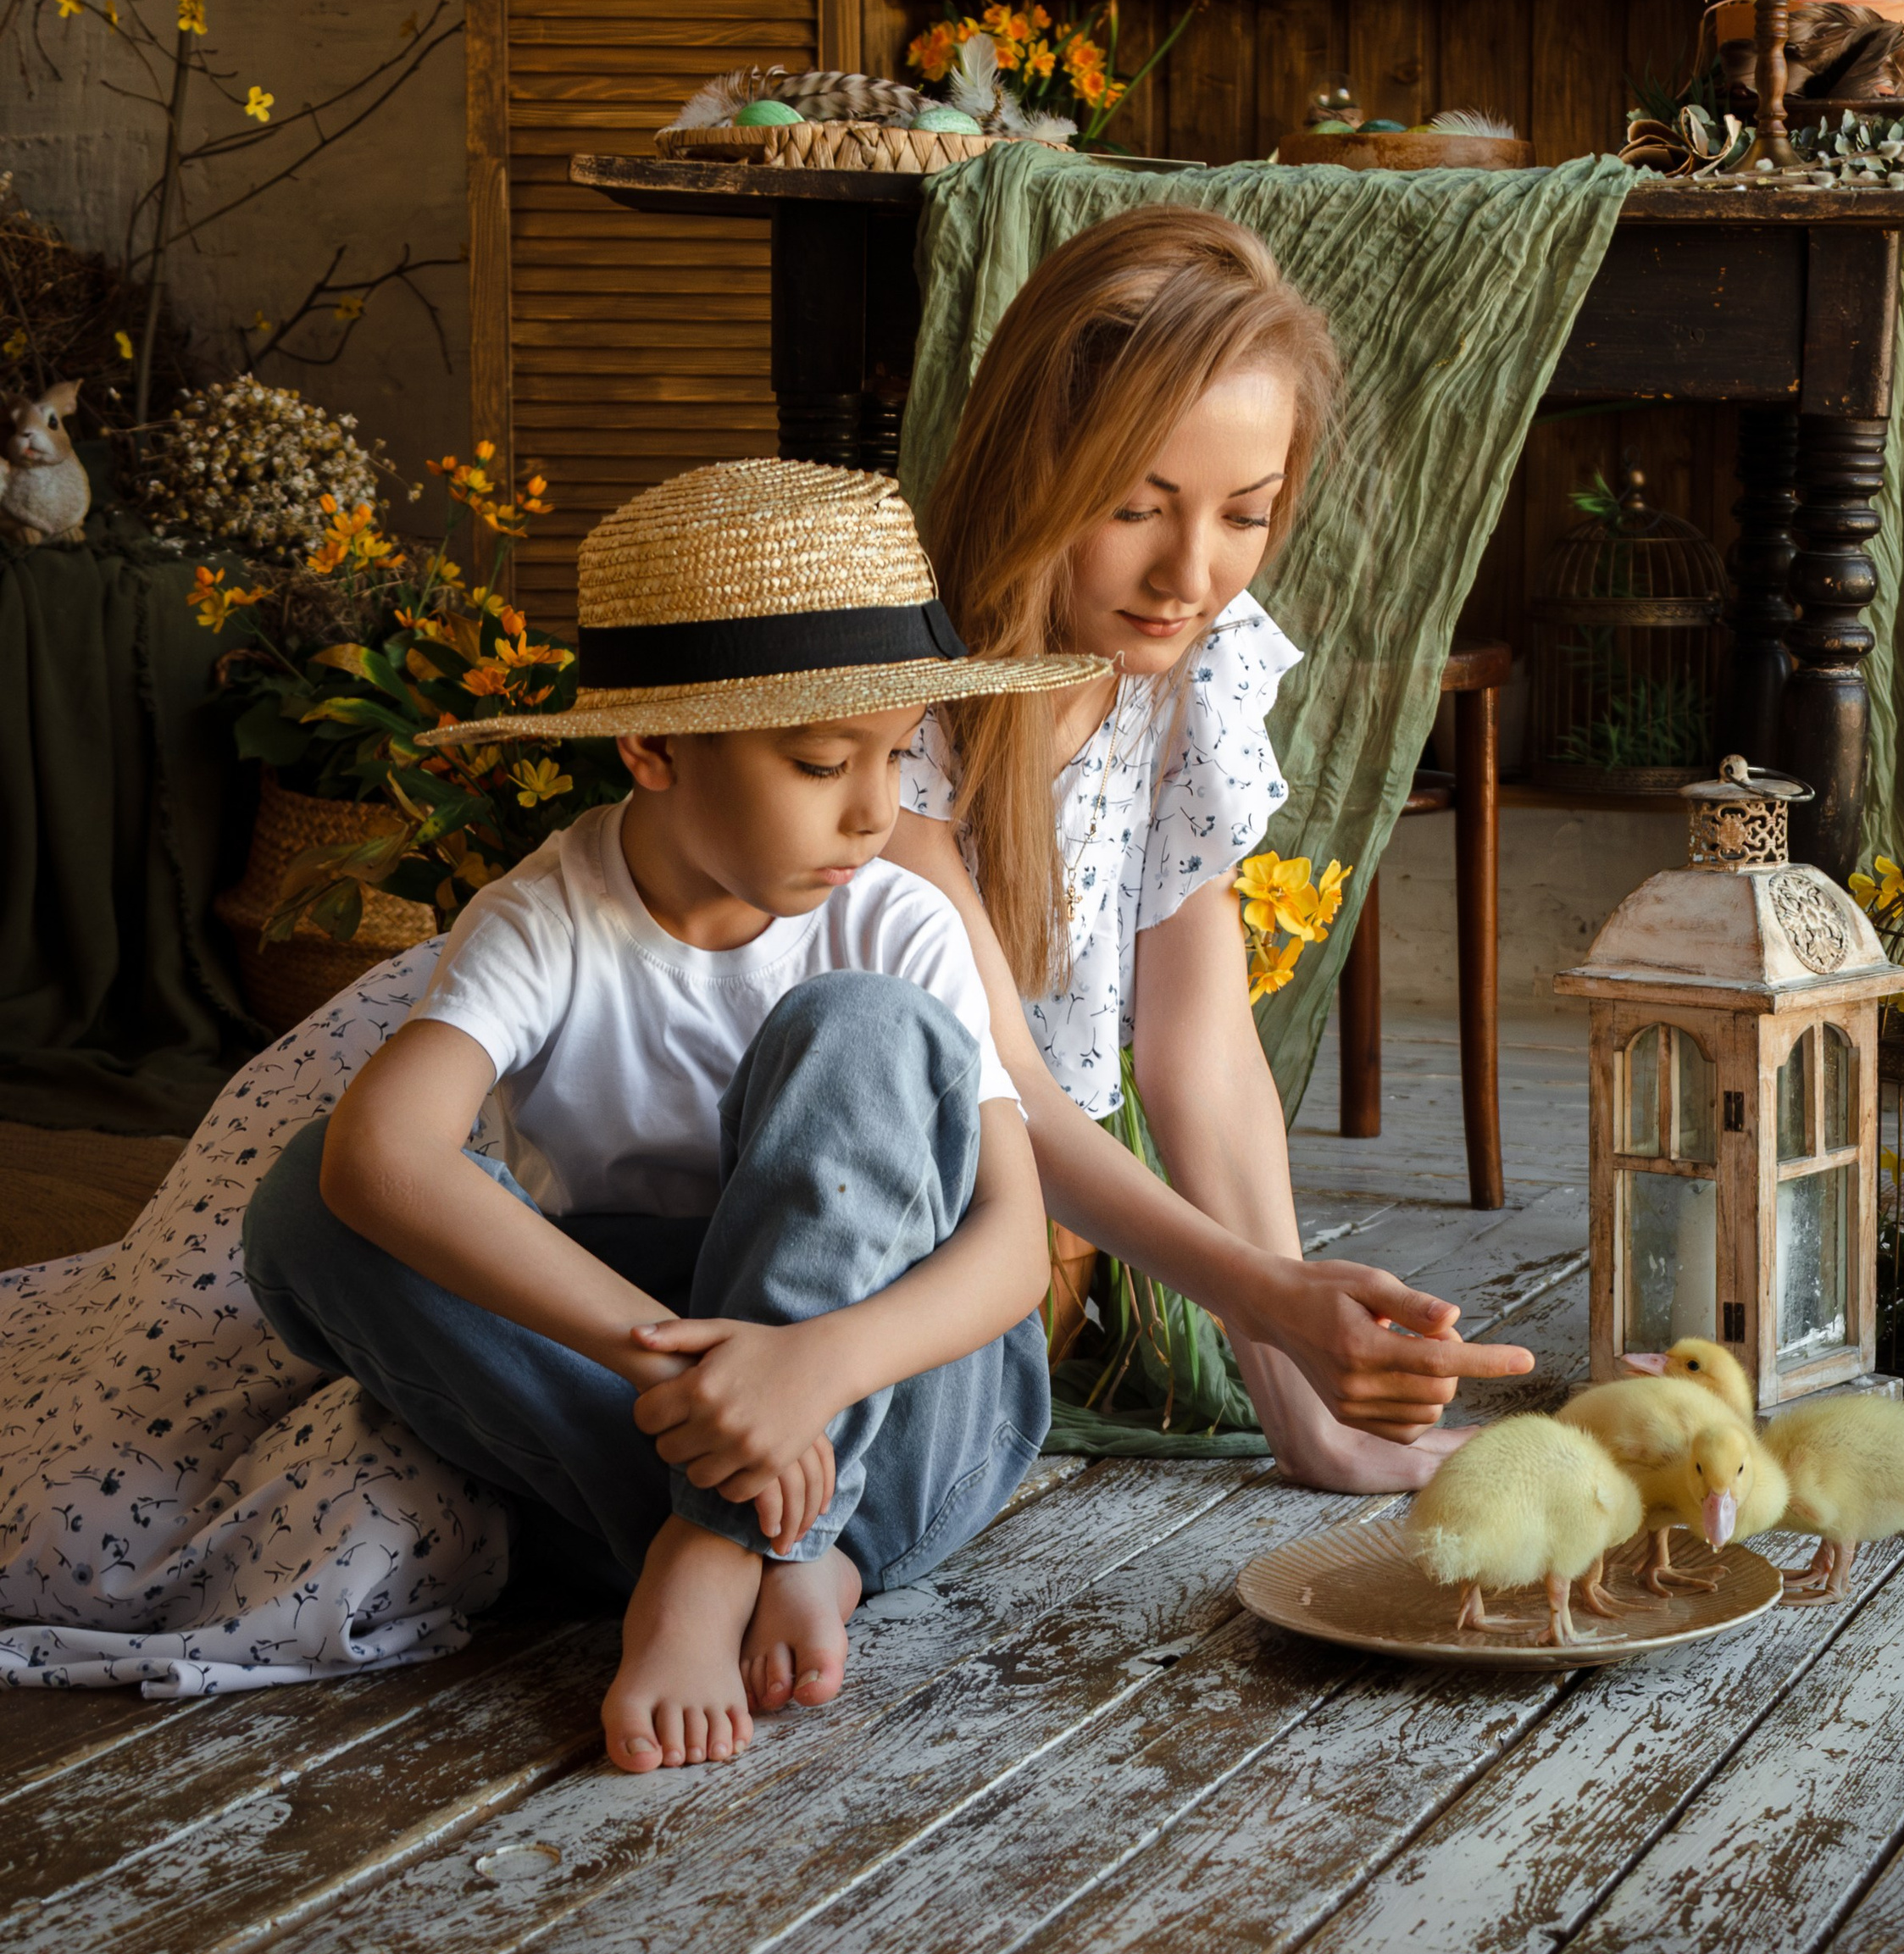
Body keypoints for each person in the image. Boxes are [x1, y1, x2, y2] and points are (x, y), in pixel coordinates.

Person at [240, 458, 1100, 1776]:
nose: (875, 811)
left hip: (902, 1413)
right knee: (309, 1201)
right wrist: (689, 1381)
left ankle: (712, 1560)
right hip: (640, 1409)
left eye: (898, 753)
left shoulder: (898, 920)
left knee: (862, 1026)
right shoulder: (546, 918)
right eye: (822, 761)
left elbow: (1011, 1248)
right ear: (652, 750)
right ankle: (780, 1539)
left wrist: (811, 1368)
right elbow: (378, 1158)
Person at [887, 206, 1534, 1486]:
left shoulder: (1193, 667)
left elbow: (1204, 1050)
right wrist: (1275, 1299)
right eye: (1136, 507)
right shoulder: (901, 697)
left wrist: (1309, 1418)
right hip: (843, 1216)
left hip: (1017, 1245)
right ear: (1030, 468)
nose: (1190, 573)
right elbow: (999, 1080)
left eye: (1246, 513)